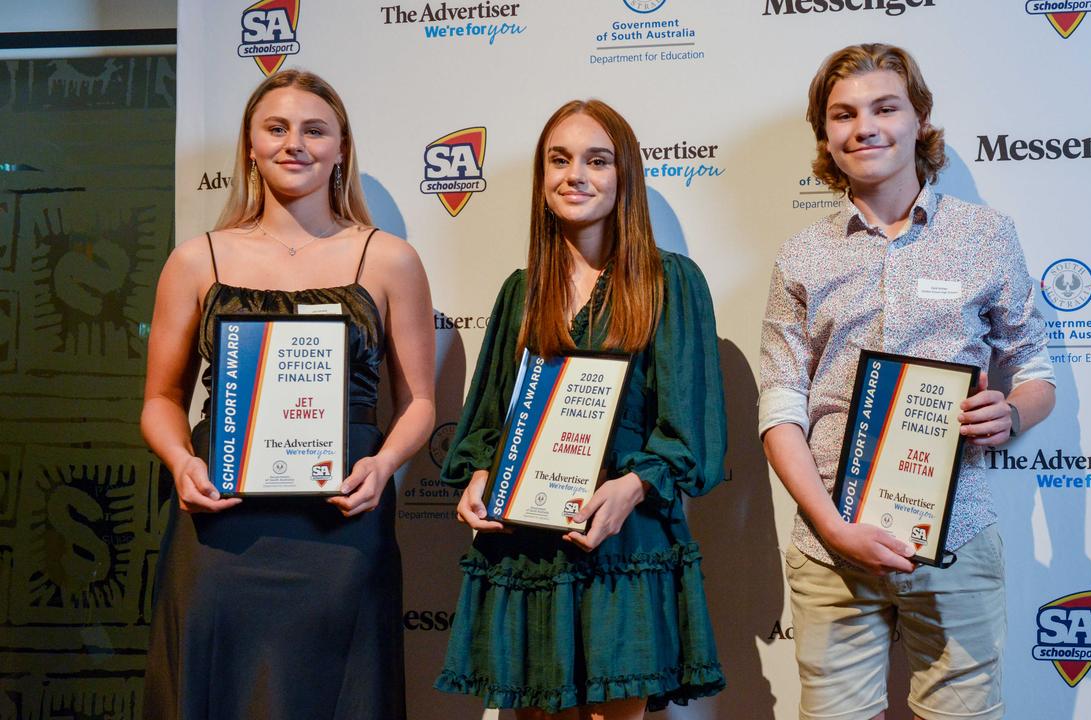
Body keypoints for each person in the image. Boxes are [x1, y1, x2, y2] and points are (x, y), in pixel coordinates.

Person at [759, 44, 1057, 720]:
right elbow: (780, 406)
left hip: (958, 533)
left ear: (919, 120)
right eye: (843, 114)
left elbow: (1036, 374)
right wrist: (834, 529)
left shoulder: (987, 236)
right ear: (825, 135)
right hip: (829, 549)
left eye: (884, 107)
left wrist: (1010, 415)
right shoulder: (800, 256)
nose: (864, 126)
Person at [140, 69, 435, 720]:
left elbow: (419, 404)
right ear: (250, 144)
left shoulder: (388, 260)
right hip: (220, 524)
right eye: (276, 128)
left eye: (313, 130)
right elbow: (161, 398)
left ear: (340, 147)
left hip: (342, 527)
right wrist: (181, 462)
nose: (293, 143)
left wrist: (385, 466)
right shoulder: (197, 261)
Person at [436, 99, 726, 720]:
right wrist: (483, 473)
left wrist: (632, 487)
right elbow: (488, 419)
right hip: (528, 545)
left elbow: (690, 435)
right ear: (542, 182)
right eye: (559, 160)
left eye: (598, 160)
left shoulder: (670, 282)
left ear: (625, 177)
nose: (576, 175)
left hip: (623, 543)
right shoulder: (521, 291)